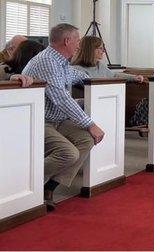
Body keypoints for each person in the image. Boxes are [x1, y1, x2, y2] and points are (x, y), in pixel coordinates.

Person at [22, 24, 103, 211]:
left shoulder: (61, 62)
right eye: (78, 40)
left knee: (86, 139)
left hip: (56, 120)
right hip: (38, 121)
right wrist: (90, 123)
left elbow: (77, 75)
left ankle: (48, 188)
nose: (79, 45)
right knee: (69, 153)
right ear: (67, 41)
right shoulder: (47, 61)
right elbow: (61, 98)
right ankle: (22, 180)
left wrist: (89, 78)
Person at [71, 36, 143, 82]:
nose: (103, 51)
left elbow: (113, 75)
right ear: (90, 50)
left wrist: (133, 78)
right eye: (100, 48)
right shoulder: (76, 69)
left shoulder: (99, 65)